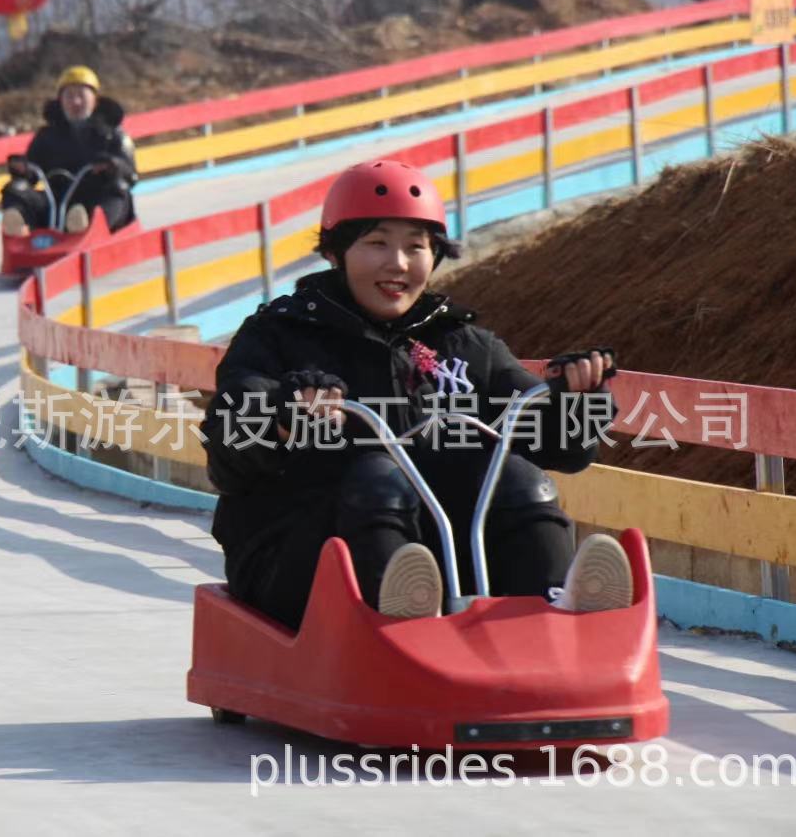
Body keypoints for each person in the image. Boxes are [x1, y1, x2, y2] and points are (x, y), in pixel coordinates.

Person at [200, 160, 633, 630]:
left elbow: (558, 447)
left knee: (518, 478)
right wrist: (284, 418)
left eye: (416, 247)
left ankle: (555, 612)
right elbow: (230, 443)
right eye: (377, 244)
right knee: (377, 479)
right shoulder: (278, 335)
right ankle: (401, 614)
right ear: (336, 253)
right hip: (296, 556)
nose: (398, 264)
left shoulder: (464, 346)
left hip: (446, 558)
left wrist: (578, 400)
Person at [2, 65, 138, 237]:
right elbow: (33, 173)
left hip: (95, 197)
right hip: (56, 203)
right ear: (61, 101)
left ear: (95, 100)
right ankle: (19, 227)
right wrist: (23, 170)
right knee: (16, 189)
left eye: (81, 95)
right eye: (69, 96)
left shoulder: (112, 135)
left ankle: (87, 229)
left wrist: (112, 166)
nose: (76, 102)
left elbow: (131, 174)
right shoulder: (48, 135)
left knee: (118, 190)